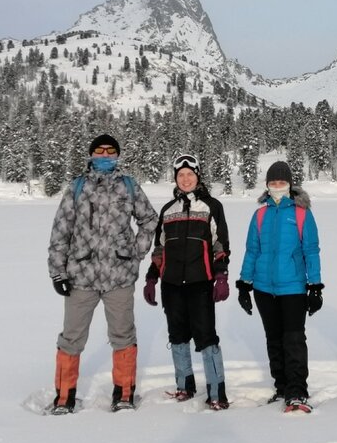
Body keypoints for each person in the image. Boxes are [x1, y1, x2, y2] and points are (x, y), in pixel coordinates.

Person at [47, 134, 159, 414]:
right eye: (100, 150)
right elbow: (61, 230)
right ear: (91, 154)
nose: (105, 154)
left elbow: (149, 220)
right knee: (71, 337)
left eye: (110, 151)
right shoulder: (77, 187)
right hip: (80, 276)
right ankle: (64, 397)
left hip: (119, 277)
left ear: (118, 155)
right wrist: (57, 272)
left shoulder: (129, 186)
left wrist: (136, 252)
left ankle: (123, 394)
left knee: (123, 335)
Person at [142, 153, 232, 410]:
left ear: (198, 176)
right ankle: (185, 384)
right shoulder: (167, 210)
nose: (185, 179)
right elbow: (159, 249)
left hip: (200, 282)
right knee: (178, 335)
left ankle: (217, 392)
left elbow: (221, 244)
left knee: (206, 337)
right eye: (180, 175)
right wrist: (151, 278)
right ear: (175, 178)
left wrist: (221, 275)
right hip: (171, 284)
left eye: (189, 174)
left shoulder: (211, 206)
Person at [236, 161, 323, 413]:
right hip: (264, 288)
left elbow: (311, 250)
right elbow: (252, 250)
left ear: (290, 185)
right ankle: (282, 387)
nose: (277, 186)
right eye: (273, 183)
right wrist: (245, 283)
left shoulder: (301, 213)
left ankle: (297, 392)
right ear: (267, 185)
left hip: (293, 288)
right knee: (273, 339)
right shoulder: (260, 215)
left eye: (282, 182)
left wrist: (315, 286)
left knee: (294, 339)